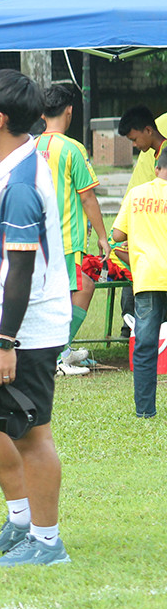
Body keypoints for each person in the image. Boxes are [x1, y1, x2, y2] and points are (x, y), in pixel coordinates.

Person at [0, 69, 73, 566]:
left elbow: (23, 267)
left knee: (30, 432)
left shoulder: (23, 182)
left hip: (26, 328)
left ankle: (47, 544)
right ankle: (21, 520)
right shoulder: (2, 165)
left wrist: (5, 339)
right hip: (3, 319)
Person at [35, 84, 111, 375]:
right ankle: (54, 354)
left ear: (42, 114)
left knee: (57, 294)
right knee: (83, 288)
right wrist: (103, 237)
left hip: (36, 239)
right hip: (65, 238)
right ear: (69, 111)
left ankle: (57, 350)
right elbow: (87, 196)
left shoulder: (30, 146)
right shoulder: (72, 148)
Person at [111, 151, 167, 418]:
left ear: (157, 168)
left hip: (147, 278)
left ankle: (145, 411)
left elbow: (117, 235)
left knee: (145, 346)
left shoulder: (136, 194)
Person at [118, 106, 167, 195]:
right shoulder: (158, 155)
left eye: (134, 139)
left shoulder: (165, 154)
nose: (134, 145)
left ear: (148, 130)